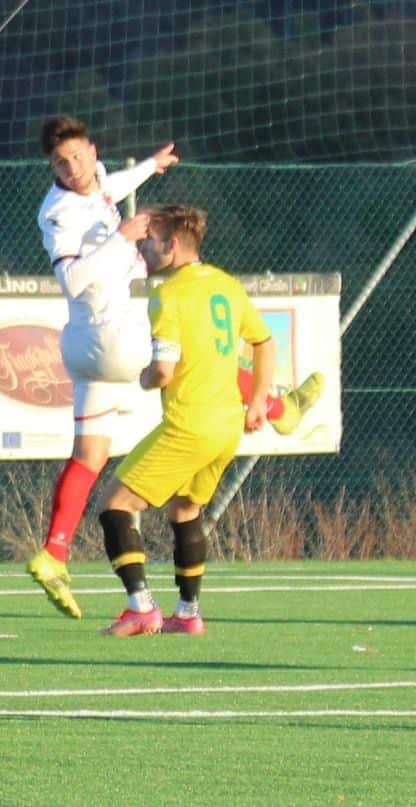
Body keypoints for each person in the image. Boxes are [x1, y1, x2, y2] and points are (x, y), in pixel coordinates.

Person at [92, 204, 307, 636]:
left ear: (171, 246)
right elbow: (264, 343)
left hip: (188, 426)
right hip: (226, 426)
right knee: (186, 510)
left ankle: (141, 609)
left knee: (113, 506)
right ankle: (188, 614)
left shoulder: (168, 295)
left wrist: (145, 377)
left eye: (148, 242)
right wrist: (258, 401)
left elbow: (163, 371)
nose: (143, 251)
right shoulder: (226, 285)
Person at [24, 116, 177, 619]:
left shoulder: (96, 184)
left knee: (90, 454)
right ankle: (272, 404)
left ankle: (54, 553)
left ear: (93, 150)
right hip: (112, 336)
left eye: (76, 157)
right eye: (60, 163)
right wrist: (123, 239)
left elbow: (110, 187)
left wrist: (151, 167)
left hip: (90, 347)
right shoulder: (58, 213)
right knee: (194, 348)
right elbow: (72, 280)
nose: (71, 168)